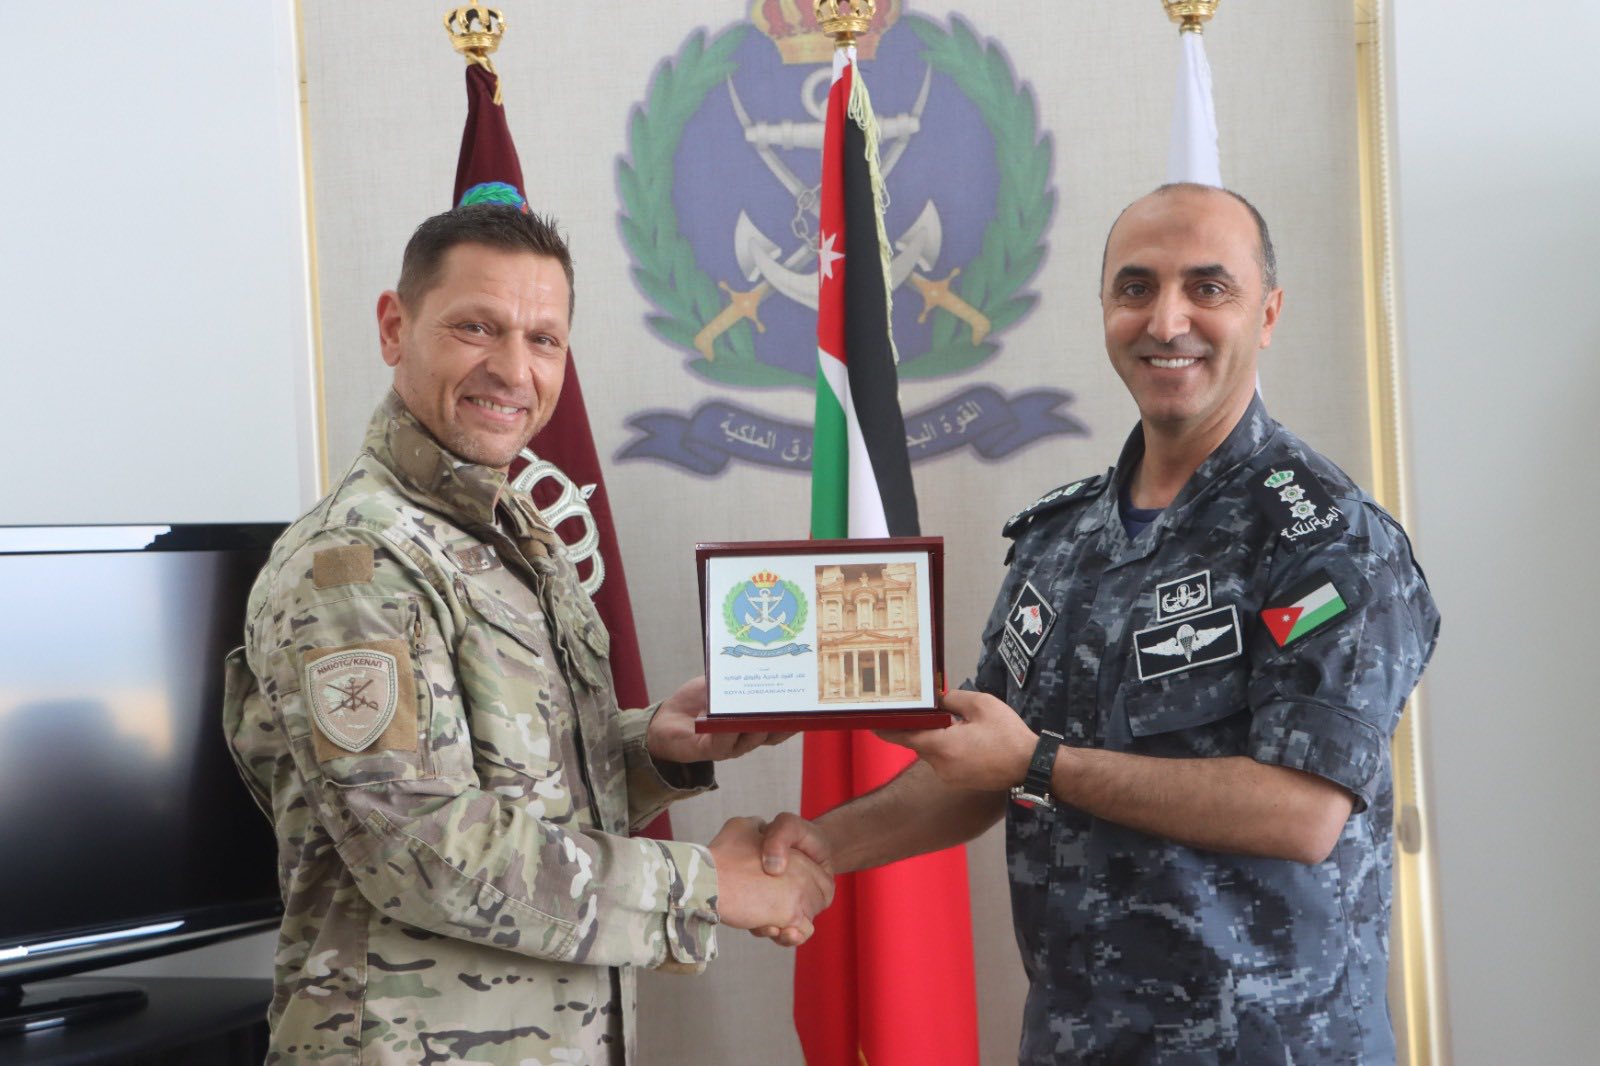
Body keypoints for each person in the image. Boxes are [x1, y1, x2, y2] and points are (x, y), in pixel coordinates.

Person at [761, 183, 1440, 1063]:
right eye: (1136, 288)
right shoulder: (1061, 537)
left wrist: (1040, 763)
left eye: (1208, 288)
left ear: (1267, 314)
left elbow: (1303, 810)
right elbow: (981, 765)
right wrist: (821, 847)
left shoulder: (1327, 539)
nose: (1166, 321)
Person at [222, 204, 832, 1065]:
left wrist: (652, 748)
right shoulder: (356, 563)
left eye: (543, 340)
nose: (513, 370)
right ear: (395, 328)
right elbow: (420, 848)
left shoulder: (510, 532)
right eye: (476, 327)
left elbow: (507, 785)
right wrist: (705, 886)